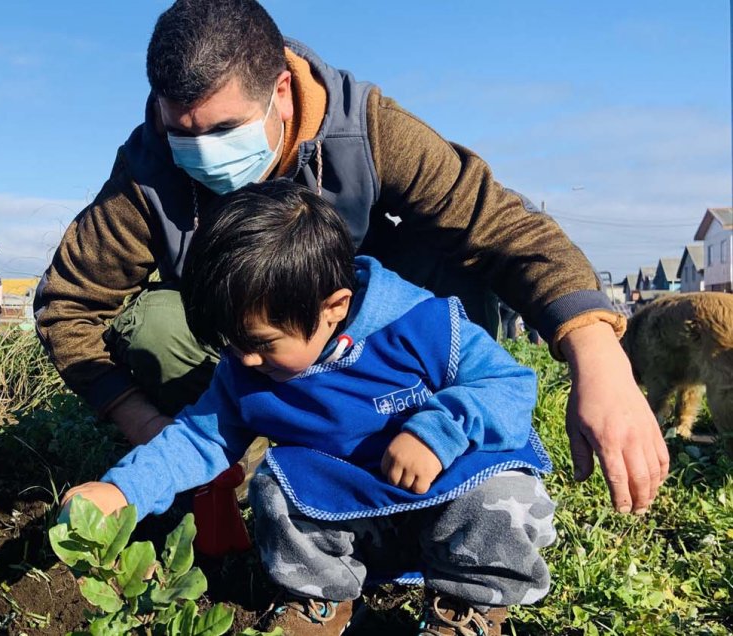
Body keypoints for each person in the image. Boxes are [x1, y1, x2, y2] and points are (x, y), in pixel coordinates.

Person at [35, 0, 667, 516]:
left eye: (222, 131)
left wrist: (599, 354)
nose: (202, 151)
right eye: (183, 132)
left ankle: (443, 436)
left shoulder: (366, 130)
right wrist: (137, 416)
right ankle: (248, 458)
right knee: (157, 326)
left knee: (453, 261)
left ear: (281, 90)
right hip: (252, 359)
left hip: (378, 343)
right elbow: (68, 302)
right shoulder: (149, 169)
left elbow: (502, 225)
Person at [64, 182, 556, 635]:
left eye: (262, 343)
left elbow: (509, 384)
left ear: (334, 307)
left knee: (505, 490)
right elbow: (197, 438)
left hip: (450, 495)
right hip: (353, 515)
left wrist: (439, 430)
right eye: (232, 343)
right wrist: (121, 490)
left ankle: (468, 602)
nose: (245, 359)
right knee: (277, 485)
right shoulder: (244, 370)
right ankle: (325, 601)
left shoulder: (421, 325)